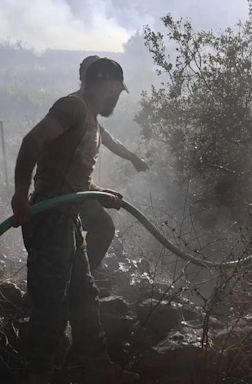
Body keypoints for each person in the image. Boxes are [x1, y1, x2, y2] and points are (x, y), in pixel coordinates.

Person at [11, 58, 139, 383]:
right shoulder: (72, 107)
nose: (116, 98)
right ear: (106, 86)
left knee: (83, 296)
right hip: (50, 218)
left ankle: (98, 367)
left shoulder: (91, 119)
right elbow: (33, 141)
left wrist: (100, 194)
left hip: (68, 221)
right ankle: (40, 374)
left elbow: (75, 179)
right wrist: (20, 194)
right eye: (116, 91)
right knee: (51, 306)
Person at [78, 55, 149, 271]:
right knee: (103, 227)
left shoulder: (87, 109)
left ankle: (81, 273)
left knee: (101, 227)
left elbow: (108, 139)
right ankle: (81, 274)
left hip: (76, 190)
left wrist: (133, 158)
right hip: (67, 193)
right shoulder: (76, 108)